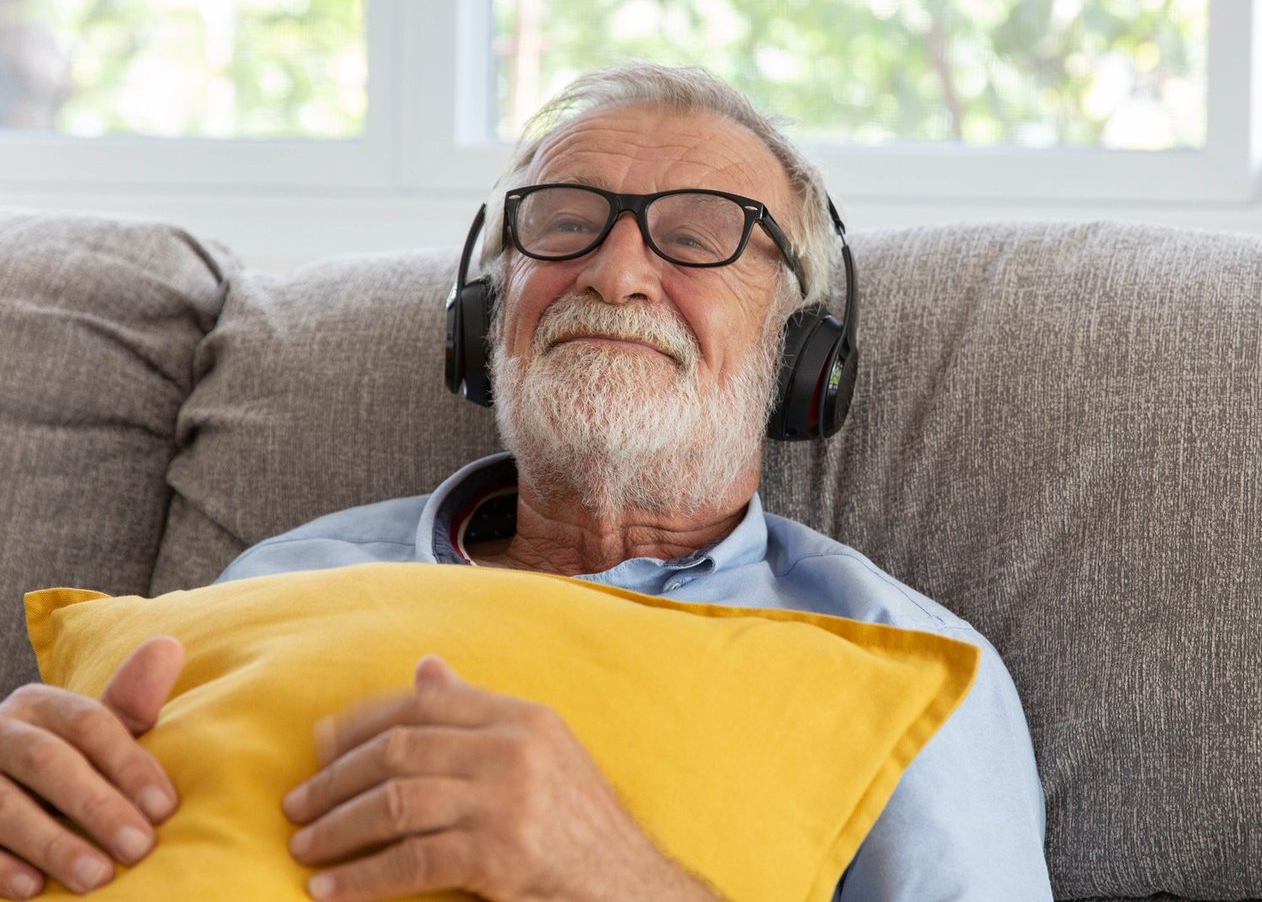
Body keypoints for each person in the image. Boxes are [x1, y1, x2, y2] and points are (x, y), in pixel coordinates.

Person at [0, 64, 1051, 901]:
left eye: (696, 236)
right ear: (483, 319)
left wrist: (606, 874)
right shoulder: (281, 576)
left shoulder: (911, 666)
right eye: (559, 223)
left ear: (802, 350)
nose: (613, 270)